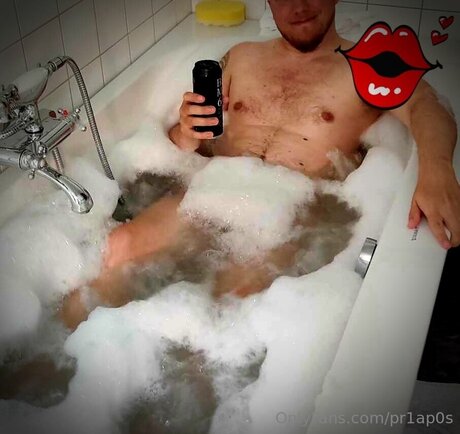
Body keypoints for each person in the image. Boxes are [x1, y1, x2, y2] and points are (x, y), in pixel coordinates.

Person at [59, 0, 460, 329]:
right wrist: (185, 133)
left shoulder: (368, 64)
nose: (298, 6)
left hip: (291, 213)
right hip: (210, 190)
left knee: (231, 303)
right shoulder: (240, 57)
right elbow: (186, 144)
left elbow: (429, 106)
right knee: (117, 249)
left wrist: (438, 169)